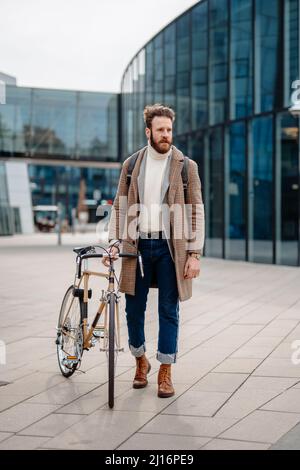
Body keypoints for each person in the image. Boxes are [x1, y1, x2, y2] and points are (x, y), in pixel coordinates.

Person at [103, 104, 205, 398]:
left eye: (169, 129)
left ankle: (165, 371)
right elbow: (120, 206)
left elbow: (197, 211)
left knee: (168, 310)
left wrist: (195, 254)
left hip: (171, 248)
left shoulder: (186, 166)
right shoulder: (132, 164)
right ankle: (140, 362)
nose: (166, 135)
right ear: (148, 131)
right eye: (160, 130)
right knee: (133, 310)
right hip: (136, 246)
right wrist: (114, 243)